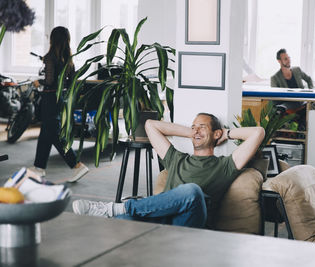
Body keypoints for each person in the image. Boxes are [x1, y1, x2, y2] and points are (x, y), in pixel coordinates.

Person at [72, 113, 265, 228]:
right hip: (161, 222)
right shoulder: (176, 158)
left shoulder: (225, 166)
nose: (196, 130)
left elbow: (258, 133)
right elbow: (151, 125)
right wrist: (192, 132)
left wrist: (226, 134)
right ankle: (121, 211)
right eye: (193, 127)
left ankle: (117, 207)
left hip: (190, 224)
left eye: (202, 127)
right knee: (123, 221)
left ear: (216, 133)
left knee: (192, 191)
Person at [30, 26, 89, 182]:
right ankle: (39, 167)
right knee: (46, 133)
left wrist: (38, 82)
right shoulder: (68, 58)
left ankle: (77, 165)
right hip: (60, 99)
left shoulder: (50, 57)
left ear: (52, 39)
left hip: (49, 99)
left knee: (54, 135)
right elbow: (71, 81)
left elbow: (49, 81)